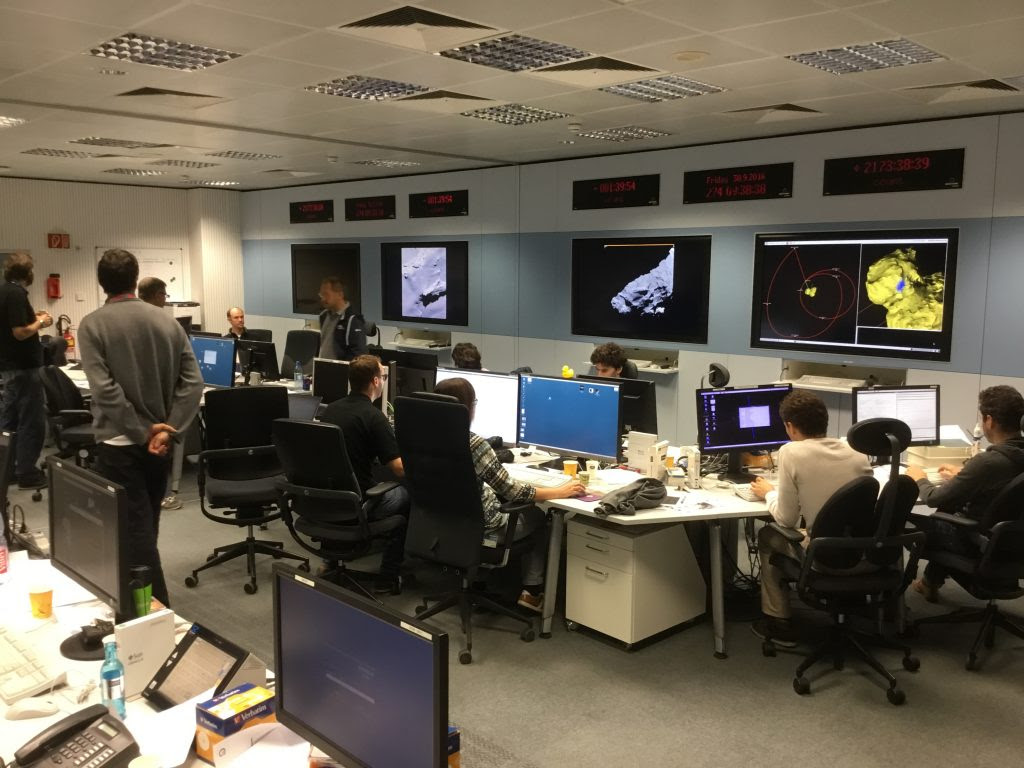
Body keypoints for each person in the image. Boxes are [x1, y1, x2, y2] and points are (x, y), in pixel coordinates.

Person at [77, 248, 204, 607]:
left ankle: (150, 614)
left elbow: (104, 392)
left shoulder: (92, 325)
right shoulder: (168, 323)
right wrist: (167, 430)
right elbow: (193, 384)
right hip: (160, 447)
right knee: (146, 529)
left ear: (102, 283)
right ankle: (141, 605)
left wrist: (141, 431)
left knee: (135, 537)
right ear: (135, 280)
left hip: (120, 445)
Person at [434, 376, 585, 612]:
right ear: (468, 408)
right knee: (540, 517)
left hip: (441, 523)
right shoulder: (473, 444)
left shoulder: (424, 435)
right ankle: (531, 593)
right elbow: (511, 490)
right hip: (486, 528)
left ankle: (480, 579)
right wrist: (557, 491)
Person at [749, 390, 873, 646]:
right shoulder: (858, 452)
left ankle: (778, 620)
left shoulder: (791, 452)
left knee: (767, 534)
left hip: (822, 556)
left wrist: (769, 493)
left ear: (790, 426)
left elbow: (786, 519)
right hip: (863, 553)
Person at [906, 385, 1024, 602]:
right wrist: (964, 477)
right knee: (949, 508)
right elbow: (1003, 490)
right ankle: (929, 583)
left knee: (907, 522)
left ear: (989, 420)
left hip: (977, 542)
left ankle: (892, 601)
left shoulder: (987, 463)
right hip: (1013, 544)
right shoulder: (1016, 456)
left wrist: (918, 477)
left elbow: (932, 499)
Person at [319, 354, 408, 592]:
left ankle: (330, 560)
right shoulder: (373, 416)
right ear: (375, 381)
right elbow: (399, 468)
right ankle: (388, 576)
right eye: (383, 375)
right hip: (358, 501)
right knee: (406, 496)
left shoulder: (330, 410)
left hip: (324, 499)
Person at [0, 252, 53, 489]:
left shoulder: (3, 291)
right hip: (24, 368)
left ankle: (8, 470)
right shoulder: (17, 293)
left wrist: (34, 318)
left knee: (9, 422)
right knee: (32, 421)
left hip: (9, 367)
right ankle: (27, 473)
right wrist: (42, 322)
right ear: (28, 273)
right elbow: (20, 332)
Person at [317, 277, 367, 361]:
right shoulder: (323, 315)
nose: (323, 299)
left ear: (340, 295)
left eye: (326, 294)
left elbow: (358, 354)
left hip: (341, 370)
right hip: (323, 367)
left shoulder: (353, 319)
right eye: (321, 295)